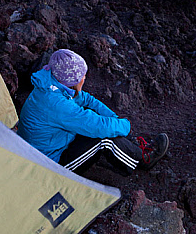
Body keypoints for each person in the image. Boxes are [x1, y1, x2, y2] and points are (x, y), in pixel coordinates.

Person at [18, 49, 168, 175]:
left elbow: (86, 99)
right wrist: (126, 126)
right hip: (49, 166)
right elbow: (98, 126)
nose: (84, 78)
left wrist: (113, 118)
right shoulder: (57, 104)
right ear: (72, 80)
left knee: (101, 122)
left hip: (47, 147)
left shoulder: (51, 84)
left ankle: (128, 148)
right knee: (104, 140)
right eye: (82, 75)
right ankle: (142, 159)